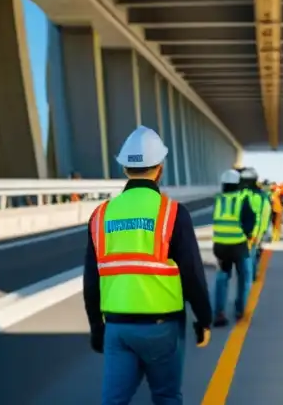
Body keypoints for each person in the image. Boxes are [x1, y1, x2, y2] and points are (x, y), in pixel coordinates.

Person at [83, 126, 213, 405]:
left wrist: (97, 328)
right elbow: (192, 275)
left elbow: (91, 281)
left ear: (125, 168)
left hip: (117, 328)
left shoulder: (101, 214)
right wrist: (203, 319)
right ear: (160, 168)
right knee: (166, 397)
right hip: (162, 327)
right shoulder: (173, 213)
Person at [212, 168, 257, 327]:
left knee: (222, 278)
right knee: (244, 278)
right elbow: (250, 222)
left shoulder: (218, 199)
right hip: (238, 246)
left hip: (220, 247)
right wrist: (248, 234)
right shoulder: (242, 199)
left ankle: (219, 313)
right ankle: (239, 310)